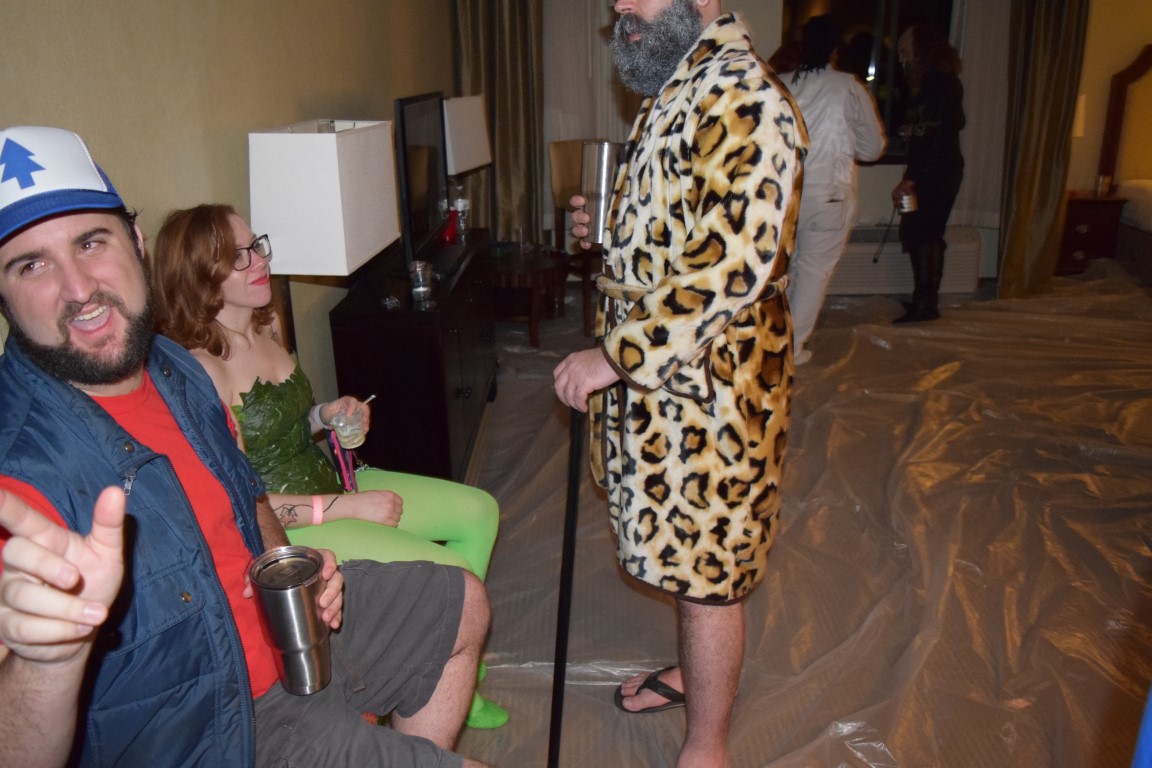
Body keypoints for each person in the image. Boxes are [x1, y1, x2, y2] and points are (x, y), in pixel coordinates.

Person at [0, 125, 491, 768]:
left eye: (91, 242)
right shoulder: (19, 476)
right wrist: (46, 660)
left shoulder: (173, 368)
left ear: (135, 242)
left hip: (285, 630)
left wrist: (291, 567)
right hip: (223, 725)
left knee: (462, 601)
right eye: (31, 264)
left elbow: (247, 491)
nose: (77, 287)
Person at [552, 2, 806, 766]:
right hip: (669, 392)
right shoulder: (682, 84)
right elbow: (683, 227)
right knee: (680, 556)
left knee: (708, 580)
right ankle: (692, 674)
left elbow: (731, 268)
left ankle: (707, 746)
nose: (621, 7)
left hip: (717, 397)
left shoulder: (745, 96)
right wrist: (613, 227)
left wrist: (614, 357)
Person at [150, 202, 507, 729]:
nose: (261, 260)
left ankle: (454, 667)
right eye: (239, 256)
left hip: (334, 481)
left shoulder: (266, 322)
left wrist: (329, 414)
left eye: (257, 245)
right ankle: (436, 674)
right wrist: (346, 507)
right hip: (297, 525)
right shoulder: (201, 371)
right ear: (199, 276)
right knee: (451, 578)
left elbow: (290, 420)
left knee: (479, 511)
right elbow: (239, 501)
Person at [781, 14, 886, 364]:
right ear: (835, 49)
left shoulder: (781, 84)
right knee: (813, 272)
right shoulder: (848, 87)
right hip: (829, 195)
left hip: (785, 196)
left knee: (787, 271)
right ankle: (790, 349)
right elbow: (873, 149)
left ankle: (776, 339)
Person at [890, 23, 965, 323]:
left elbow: (935, 133)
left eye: (905, 51)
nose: (902, 58)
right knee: (926, 232)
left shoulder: (935, 81)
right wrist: (917, 128)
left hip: (934, 171)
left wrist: (911, 178)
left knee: (923, 233)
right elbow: (951, 123)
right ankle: (924, 300)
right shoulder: (947, 80)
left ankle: (925, 305)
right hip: (944, 168)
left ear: (920, 51)